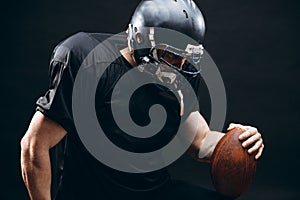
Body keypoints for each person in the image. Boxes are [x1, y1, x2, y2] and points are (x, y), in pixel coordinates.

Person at [20, 0, 264, 199]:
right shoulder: (89, 60)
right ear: (140, 41)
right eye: (169, 54)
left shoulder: (180, 71)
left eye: (185, 57)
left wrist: (236, 141)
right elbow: (34, 145)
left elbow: (198, 140)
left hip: (154, 192)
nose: (179, 67)